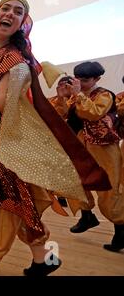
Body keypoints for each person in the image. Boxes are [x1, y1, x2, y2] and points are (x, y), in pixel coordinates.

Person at [0, 0, 111, 276]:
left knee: (7, 194)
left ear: (21, 25)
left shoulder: (16, 61)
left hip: (6, 134)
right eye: (5, 8)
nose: (10, 13)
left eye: (18, 12)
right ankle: (44, 261)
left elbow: (3, 101)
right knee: (7, 194)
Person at [55, 62, 124, 252]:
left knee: (108, 190)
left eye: (85, 80)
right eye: (79, 80)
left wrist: (77, 94)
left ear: (97, 79)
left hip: (104, 150)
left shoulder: (104, 95)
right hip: (81, 147)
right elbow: (61, 115)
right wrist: (61, 98)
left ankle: (121, 230)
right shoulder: (77, 96)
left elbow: (93, 113)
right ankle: (87, 216)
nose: (81, 83)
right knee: (76, 182)